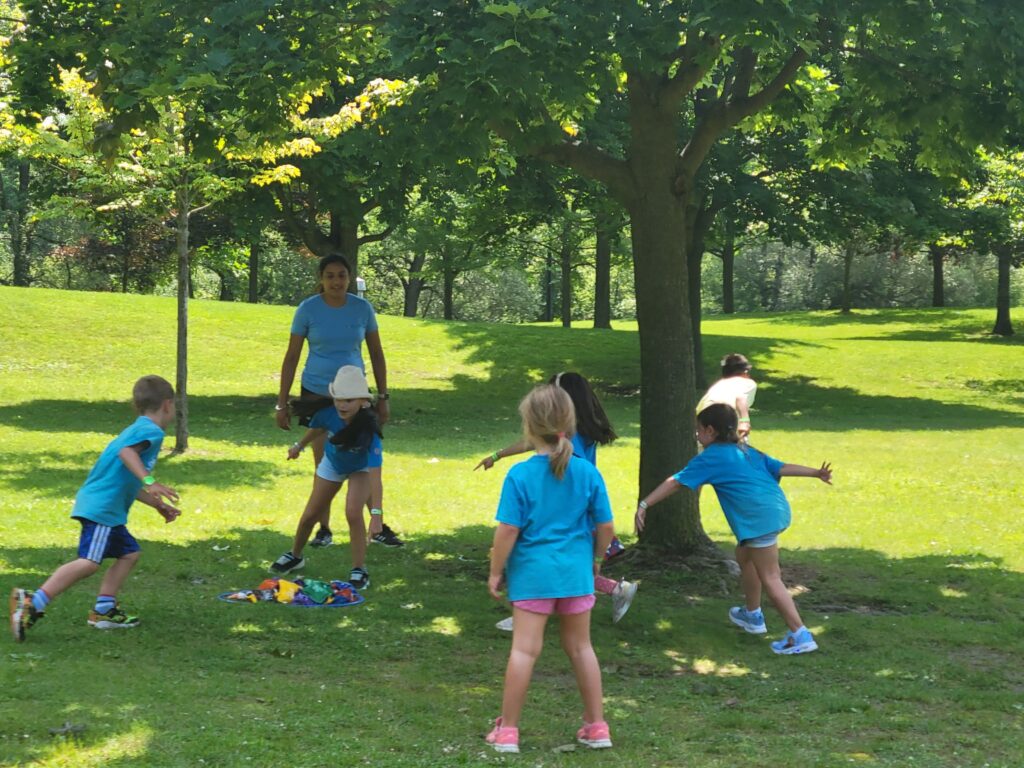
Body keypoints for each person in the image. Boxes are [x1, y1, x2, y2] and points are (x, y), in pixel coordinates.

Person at [634, 403, 832, 655]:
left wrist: (644, 504)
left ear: (710, 430)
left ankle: (800, 634)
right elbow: (780, 467)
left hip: (759, 519)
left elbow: (675, 482)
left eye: (698, 430)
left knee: (771, 577)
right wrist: (815, 473)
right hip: (775, 511)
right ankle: (752, 616)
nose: (696, 435)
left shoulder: (711, 457)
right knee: (744, 556)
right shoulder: (745, 450)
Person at [486, 384, 615, 753]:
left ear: (529, 426)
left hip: (532, 577)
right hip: (576, 576)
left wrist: (496, 571)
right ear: (570, 424)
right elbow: (606, 529)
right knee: (581, 649)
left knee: (524, 651)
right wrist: (594, 561)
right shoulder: (587, 473)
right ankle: (597, 726)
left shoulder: (519, 475)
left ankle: (508, 731)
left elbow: (508, 530)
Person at [9, 376, 182, 642]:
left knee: (129, 553)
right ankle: (34, 602)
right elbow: (127, 455)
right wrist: (151, 481)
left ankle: (104, 610)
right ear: (168, 405)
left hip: (105, 507)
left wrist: (157, 504)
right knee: (89, 562)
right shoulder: (151, 432)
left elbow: (126, 479)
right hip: (102, 508)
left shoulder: (137, 429)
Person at [476, 371, 637, 628]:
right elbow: (531, 444)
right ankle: (617, 590)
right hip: (579, 518)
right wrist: (497, 455)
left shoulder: (571, 447)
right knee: (569, 566)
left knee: (539, 556)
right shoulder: (576, 433)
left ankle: (524, 614)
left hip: (570, 516)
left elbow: (573, 472)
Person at [274, 253, 403, 549]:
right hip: (318, 390)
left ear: (350, 278)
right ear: (321, 279)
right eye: (330, 275)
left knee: (364, 459)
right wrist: (282, 402)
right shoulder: (308, 310)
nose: (336, 281)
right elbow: (291, 356)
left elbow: (377, 354)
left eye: (341, 275)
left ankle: (378, 525)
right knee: (323, 461)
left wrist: (383, 397)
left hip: (355, 394)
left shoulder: (362, 309)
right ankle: (324, 528)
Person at [270, 366, 384, 590]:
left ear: (363, 402)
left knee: (353, 512)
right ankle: (295, 555)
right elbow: (318, 429)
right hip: (332, 465)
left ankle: (359, 569)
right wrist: (299, 446)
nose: (342, 405)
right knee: (310, 515)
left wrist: (377, 515)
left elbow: (375, 479)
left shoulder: (370, 431)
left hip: (360, 469)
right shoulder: (327, 414)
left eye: (349, 400)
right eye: (338, 399)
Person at [697, 353, 757, 440]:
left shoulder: (717, 385)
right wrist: (745, 421)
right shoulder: (747, 382)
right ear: (745, 372)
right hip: (722, 422)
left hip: (702, 425)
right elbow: (740, 397)